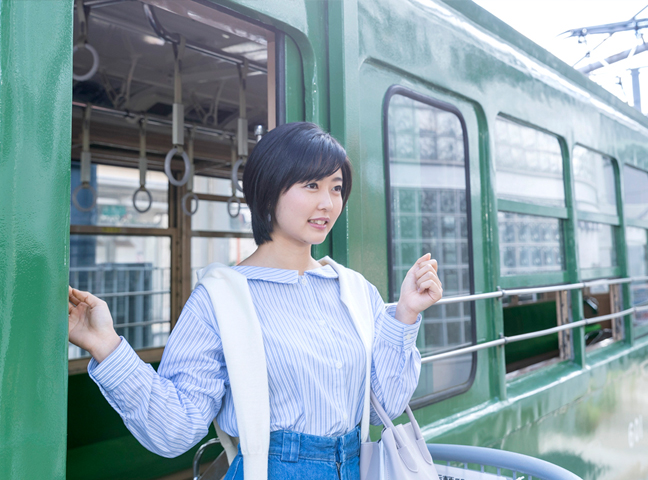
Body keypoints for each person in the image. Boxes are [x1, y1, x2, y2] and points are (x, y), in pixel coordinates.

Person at [67, 122, 443, 480]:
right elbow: (175, 430)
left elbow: (387, 406)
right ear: (269, 189)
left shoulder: (355, 290)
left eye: (336, 187)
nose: (328, 202)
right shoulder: (219, 298)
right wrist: (106, 346)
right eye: (311, 185)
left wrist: (406, 313)